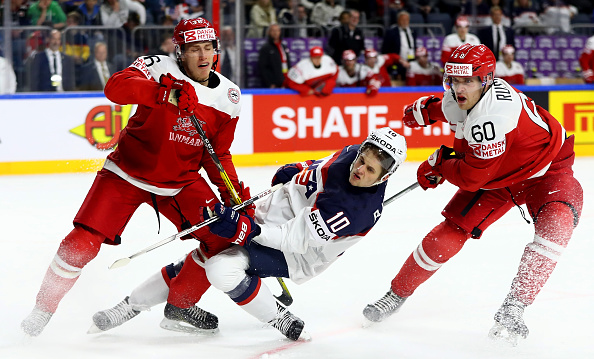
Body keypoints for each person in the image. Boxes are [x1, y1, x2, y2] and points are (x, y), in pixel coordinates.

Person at [21, 17, 249, 337]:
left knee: (226, 239)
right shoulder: (157, 66)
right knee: (81, 243)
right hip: (126, 172)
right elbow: (114, 87)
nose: (202, 56)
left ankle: (180, 305)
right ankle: (41, 311)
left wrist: (233, 195)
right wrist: (162, 93)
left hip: (181, 181)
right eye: (194, 48)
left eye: (208, 48)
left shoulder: (230, 97)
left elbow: (218, 154)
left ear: (217, 51)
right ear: (179, 51)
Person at [90, 127, 408, 341]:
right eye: (362, 160)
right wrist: (296, 169)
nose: (359, 169)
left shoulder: (352, 211)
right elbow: (321, 165)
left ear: (385, 177)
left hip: (297, 252)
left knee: (219, 265)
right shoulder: (353, 154)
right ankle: (157, 306)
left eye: (369, 170)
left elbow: (293, 239)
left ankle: (276, 316)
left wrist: (248, 231)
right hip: (271, 215)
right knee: (211, 248)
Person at [363, 44, 583, 345]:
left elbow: (469, 177)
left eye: (467, 81)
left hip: (547, 171)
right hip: (499, 175)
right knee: (452, 229)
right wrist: (425, 111)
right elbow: (448, 106)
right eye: (453, 80)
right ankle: (396, 293)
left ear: (487, 79)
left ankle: (514, 306)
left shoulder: (492, 118)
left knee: (558, 224)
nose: (458, 88)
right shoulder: (468, 96)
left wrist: (439, 163)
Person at [381, 11, 416, 81]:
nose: (405, 22)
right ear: (398, 21)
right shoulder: (391, 32)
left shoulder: (412, 32)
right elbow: (385, 49)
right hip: (397, 62)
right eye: (402, 20)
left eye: (406, 20)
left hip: (411, 61)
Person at [258, 23, 291, 89]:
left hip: (285, 82)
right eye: (273, 30)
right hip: (273, 85)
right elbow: (262, 68)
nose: (275, 33)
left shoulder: (283, 46)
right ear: (269, 32)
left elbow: (288, 64)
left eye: (277, 30)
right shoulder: (266, 48)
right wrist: (270, 83)